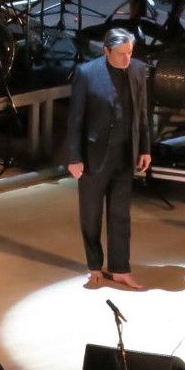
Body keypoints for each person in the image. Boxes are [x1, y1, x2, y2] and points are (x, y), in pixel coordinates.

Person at [67, 28, 152, 289]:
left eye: (129, 53)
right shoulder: (87, 73)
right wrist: (74, 157)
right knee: (91, 215)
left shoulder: (137, 70)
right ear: (106, 51)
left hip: (125, 154)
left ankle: (119, 268)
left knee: (120, 215)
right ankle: (94, 265)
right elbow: (76, 119)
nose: (126, 59)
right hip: (95, 156)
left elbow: (142, 112)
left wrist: (145, 148)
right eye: (121, 54)